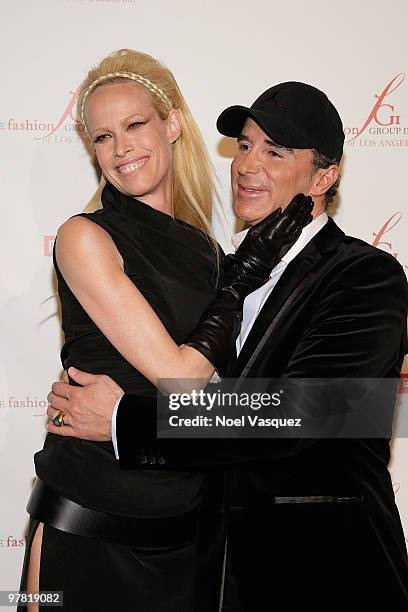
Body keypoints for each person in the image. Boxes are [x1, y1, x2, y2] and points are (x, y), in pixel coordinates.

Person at [47, 81, 408, 610]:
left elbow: (301, 412)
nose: (246, 164)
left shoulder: (365, 275)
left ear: (325, 176)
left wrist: (127, 421)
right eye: (244, 145)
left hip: (327, 572)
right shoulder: (225, 270)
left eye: (275, 151)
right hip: (219, 571)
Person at [19, 50, 311, 612]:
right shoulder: (83, 236)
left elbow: (247, 401)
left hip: (185, 533)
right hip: (86, 527)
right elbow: (181, 379)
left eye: (134, 125)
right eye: (102, 136)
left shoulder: (208, 252)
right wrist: (240, 280)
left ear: (172, 123)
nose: (121, 148)